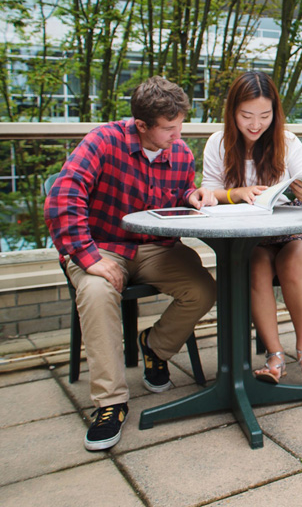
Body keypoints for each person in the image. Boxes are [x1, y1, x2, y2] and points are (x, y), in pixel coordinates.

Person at [44, 76, 218, 451]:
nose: (178, 136)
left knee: (203, 288)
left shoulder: (180, 153)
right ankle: (111, 403)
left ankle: (154, 346)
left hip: (154, 248)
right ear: (141, 125)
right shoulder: (102, 141)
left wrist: (192, 195)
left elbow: (176, 194)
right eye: (169, 129)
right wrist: (88, 258)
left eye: (180, 125)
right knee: (95, 292)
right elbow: (63, 198)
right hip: (103, 246)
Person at [202, 70, 302, 389]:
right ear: (232, 112)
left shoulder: (287, 142)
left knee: (290, 261)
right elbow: (207, 193)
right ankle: (275, 356)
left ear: (275, 113)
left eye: (264, 116)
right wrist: (236, 193)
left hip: (297, 233)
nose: (256, 124)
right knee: (255, 263)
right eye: (246, 116)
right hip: (252, 238)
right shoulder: (219, 144)